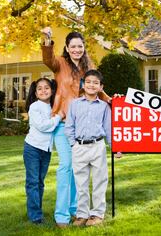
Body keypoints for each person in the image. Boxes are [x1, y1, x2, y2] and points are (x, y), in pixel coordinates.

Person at [41, 28, 110, 227]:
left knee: (76, 170)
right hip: (63, 123)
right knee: (66, 167)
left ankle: (76, 211)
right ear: (67, 48)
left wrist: (109, 100)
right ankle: (62, 214)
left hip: (85, 125)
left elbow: (97, 88)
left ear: (84, 47)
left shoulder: (89, 66)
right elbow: (48, 59)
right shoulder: (59, 63)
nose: (77, 49)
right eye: (73, 46)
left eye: (80, 46)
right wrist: (47, 39)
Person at [64, 69, 111, 227]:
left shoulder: (104, 106)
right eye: (89, 82)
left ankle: (97, 214)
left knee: (100, 181)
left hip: (98, 146)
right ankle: (82, 214)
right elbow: (69, 126)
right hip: (80, 147)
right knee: (81, 183)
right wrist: (73, 144)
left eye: (95, 83)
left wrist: (115, 147)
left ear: (100, 87)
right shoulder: (75, 104)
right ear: (84, 84)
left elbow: (108, 128)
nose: (92, 85)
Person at [23, 78, 63, 224]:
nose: (43, 90)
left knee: (40, 182)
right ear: (36, 92)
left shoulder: (53, 106)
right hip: (32, 148)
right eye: (40, 88)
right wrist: (58, 117)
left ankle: (37, 212)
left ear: (52, 90)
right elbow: (43, 126)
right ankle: (35, 216)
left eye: (46, 87)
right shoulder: (35, 107)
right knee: (33, 182)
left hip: (45, 150)